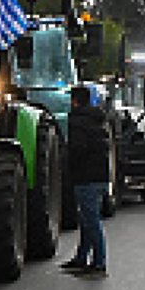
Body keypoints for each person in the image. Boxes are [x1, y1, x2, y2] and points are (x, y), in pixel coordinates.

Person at [61, 84, 113, 278]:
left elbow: (78, 149)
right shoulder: (98, 120)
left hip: (85, 176)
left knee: (91, 222)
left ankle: (99, 264)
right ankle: (81, 258)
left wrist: (68, 166)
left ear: (74, 101)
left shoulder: (77, 121)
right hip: (100, 176)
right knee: (87, 220)